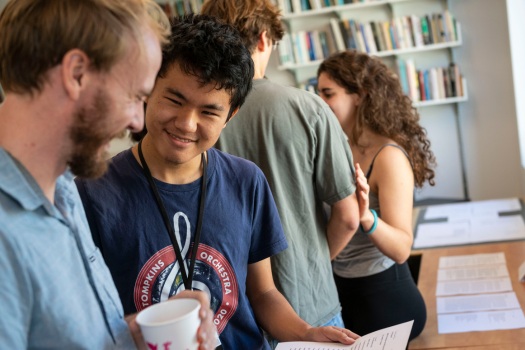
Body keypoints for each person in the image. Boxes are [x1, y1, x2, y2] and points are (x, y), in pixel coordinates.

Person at [75, 14, 360, 350]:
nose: (186, 123)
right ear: (149, 89)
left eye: (209, 112)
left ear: (230, 116)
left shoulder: (247, 181)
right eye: (174, 100)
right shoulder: (92, 192)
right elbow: (84, 315)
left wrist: (305, 332)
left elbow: (263, 293)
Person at [0, 1, 216, 349]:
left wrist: (136, 334)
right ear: (76, 73)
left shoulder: (64, 190)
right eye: (135, 96)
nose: (136, 121)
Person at [200, 1, 360, 347]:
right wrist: (307, 263)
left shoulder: (199, 118)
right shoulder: (309, 107)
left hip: (233, 312)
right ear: (262, 38)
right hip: (311, 307)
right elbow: (349, 217)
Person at [317, 50, 435, 340]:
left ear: (359, 95)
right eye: (318, 93)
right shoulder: (336, 149)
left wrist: (366, 217)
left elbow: (401, 249)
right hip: (342, 295)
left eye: (328, 94)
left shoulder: (388, 157)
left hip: (386, 299)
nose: (320, 103)